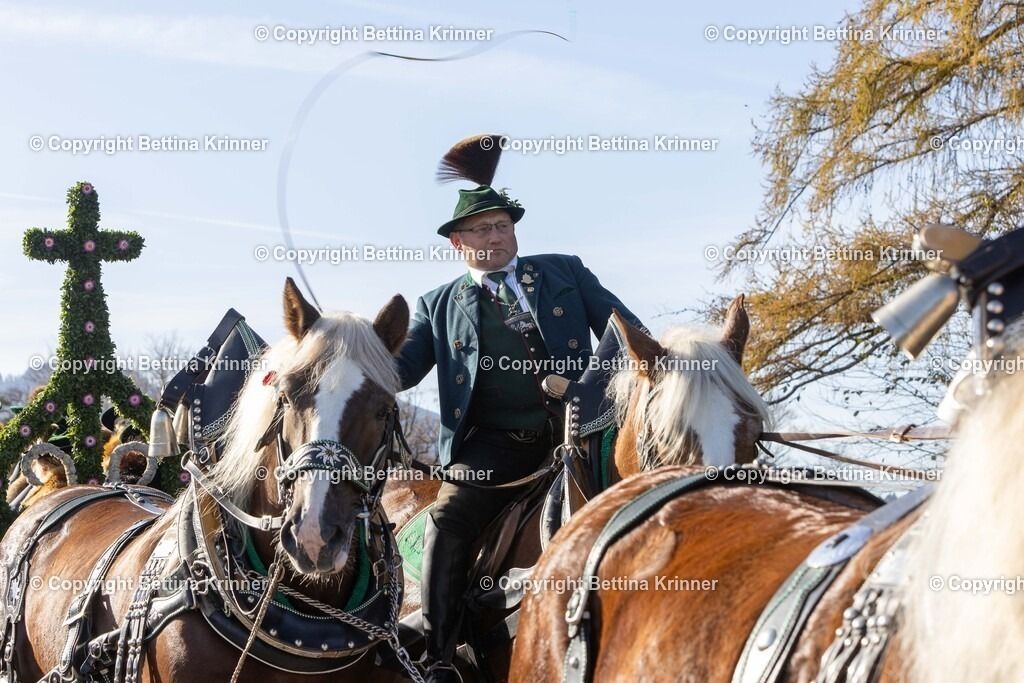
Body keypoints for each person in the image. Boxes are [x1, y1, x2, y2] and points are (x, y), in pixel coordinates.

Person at [395, 134, 645, 682]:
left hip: (588, 431)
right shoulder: (436, 306)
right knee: (448, 518)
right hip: (493, 447)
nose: (498, 236)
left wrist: (593, 385)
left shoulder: (565, 271)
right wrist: (348, 359)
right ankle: (437, 651)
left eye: (504, 225)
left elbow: (629, 335)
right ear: (457, 243)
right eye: (483, 229)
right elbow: (400, 369)